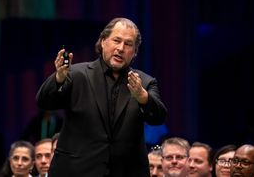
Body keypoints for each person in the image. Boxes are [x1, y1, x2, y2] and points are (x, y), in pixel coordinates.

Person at [36, 17, 167, 177]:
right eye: (116, 40)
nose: (120, 48)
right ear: (103, 41)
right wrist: (59, 79)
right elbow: (44, 102)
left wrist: (142, 96)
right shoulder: (76, 74)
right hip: (77, 171)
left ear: (134, 52)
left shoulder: (144, 82)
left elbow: (158, 117)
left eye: (128, 44)